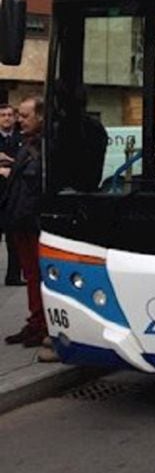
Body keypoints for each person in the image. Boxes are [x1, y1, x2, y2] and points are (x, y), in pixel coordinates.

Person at [2, 97, 56, 362]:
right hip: (20, 222)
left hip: (32, 223)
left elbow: (35, 187)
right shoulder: (28, 144)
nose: (19, 120)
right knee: (31, 276)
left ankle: (43, 324)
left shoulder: (47, 147)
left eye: (24, 116)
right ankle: (35, 321)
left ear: (41, 117)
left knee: (38, 276)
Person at [0, 104, 23, 285]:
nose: (6, 118)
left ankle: (13, 276)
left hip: (13, 195)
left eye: (9, 115)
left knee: (14, 239)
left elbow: (25, 162)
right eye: (2, 115)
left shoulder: (21, 138)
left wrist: (9, 161)